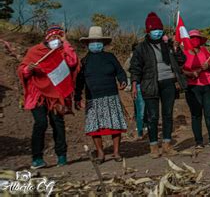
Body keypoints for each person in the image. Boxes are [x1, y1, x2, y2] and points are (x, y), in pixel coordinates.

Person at [17, 25, 79, 169]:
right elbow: (22, 69)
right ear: (47, 37)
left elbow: (73, 62)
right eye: (53, 37)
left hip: (56, 95)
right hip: (38, 94)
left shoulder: (61, 51)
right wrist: (28, 69)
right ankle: (37, 158)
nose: (55, 39)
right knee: (40, 123)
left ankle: (62, 156)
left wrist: (66, 42)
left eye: (58, 37)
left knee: (57, 122)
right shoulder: (34, 51)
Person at [129, 12, 187, 158]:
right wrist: (134, 84)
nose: (158, 32)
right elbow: (135, 67)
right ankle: (154, 146)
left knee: (167, 114)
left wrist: (176, 48)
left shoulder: (168, 45)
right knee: (153, 116)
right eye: (154, 30)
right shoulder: (141, 48)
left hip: (168, 83)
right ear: (148, 31)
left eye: (160, 29)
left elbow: (181, 61)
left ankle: (167, 145)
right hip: (150, 84)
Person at [74, 26, 128, 163]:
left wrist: (123, 80)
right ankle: (100, 153)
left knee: (115, 126)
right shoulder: (84, 61)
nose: (96, 44)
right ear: (87, 44)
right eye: (93, 41)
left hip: (111, 96)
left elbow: (120, 71)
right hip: (93, 99)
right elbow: (79, 82)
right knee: (95, 128)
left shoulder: (110, 57)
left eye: (98, 41)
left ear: (103, 44)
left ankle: (116, 153)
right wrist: (77, 97)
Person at [182, 29, 210, 148]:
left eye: (197, 38)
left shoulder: (205, 51)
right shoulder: (184, 53)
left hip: (209, 85)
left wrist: (208, 66)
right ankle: (198, 141)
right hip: (193, 88)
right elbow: (179, 70)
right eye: (192, 38)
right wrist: (190, 74)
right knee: (196, 115)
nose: (195, 40)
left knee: (209, 114)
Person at [124, 43, 147, 139]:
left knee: (140, 108)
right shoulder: (132, 59)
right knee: (140, 109)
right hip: (136, 85)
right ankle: (140, 129)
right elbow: (127, 70)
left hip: (140, 84)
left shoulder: (142, 57)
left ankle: (142, 127)